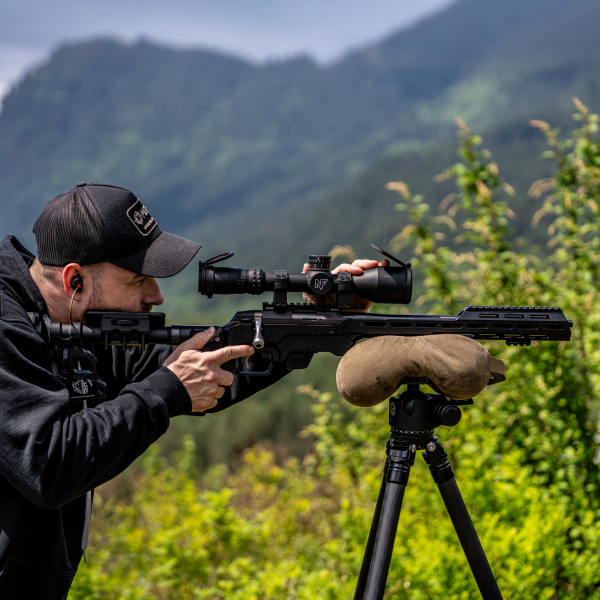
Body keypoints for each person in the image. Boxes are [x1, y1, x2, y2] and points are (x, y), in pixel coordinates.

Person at [0, 182, 386, 599]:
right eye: (138, 279)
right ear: (74, 280)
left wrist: (312, 319)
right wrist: (165, 391)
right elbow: (49, 463)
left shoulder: (75, 321)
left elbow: (195, 367)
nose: (157, 294)